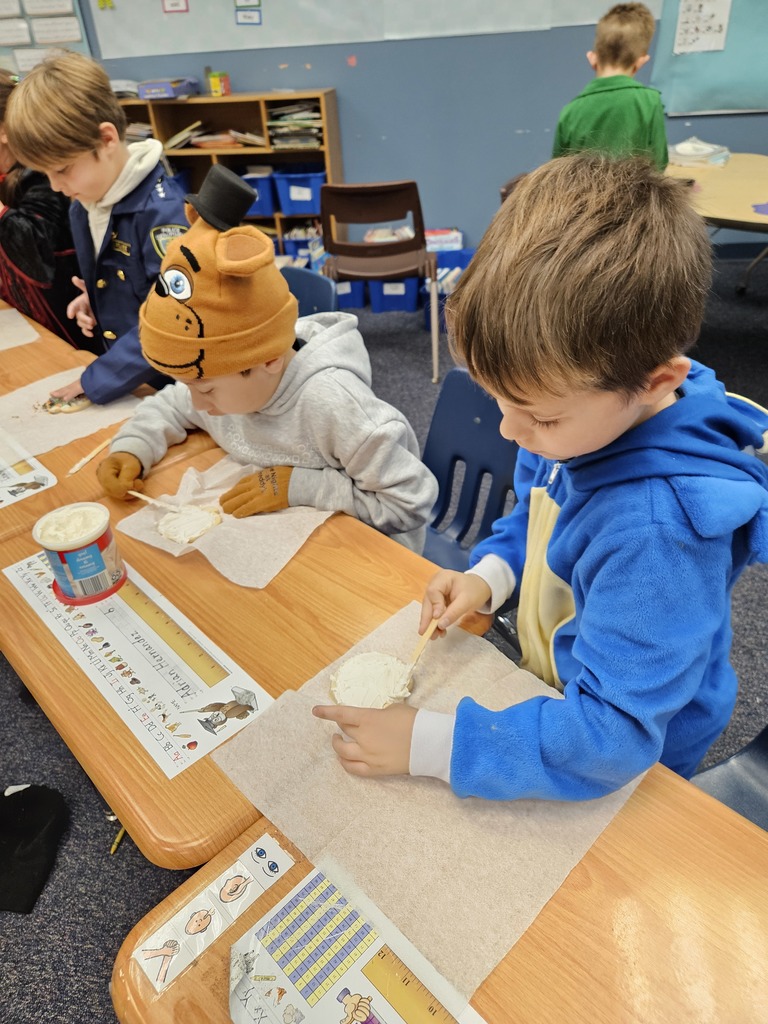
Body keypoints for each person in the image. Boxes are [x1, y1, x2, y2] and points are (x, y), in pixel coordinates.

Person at [313, 153, 768, 801]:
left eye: (538, 417)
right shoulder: (575, 420)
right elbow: (534, 514)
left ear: (656, 383)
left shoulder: (660, 533)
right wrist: (489, 575)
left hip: (630, 752)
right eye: (500, 400)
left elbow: (613, 736)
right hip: (563, 679)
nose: (509, 432)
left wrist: (433, 745)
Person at [97, 164, 437, 553]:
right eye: (192, 386)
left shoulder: (336, 408)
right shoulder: (218, 377)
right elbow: (173, 405)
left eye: (204, 389)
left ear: (268, 360)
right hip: (291, 538)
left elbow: (411, 503)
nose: (196, 404)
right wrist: (133, 447)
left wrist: (301, 485)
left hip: (369, 555)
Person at [4, 49, 188, 405]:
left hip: (181, 388)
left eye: (63, 169)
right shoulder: (84, 204)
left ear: (106, 140)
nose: (55, 187)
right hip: (136, 380)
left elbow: (174, 316)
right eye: (46, 174)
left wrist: (99, 379)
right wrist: (98, 298)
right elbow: (133, 282)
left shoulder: (163, 216)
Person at [0, 68, 82, 348]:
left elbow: (35, 256)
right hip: (21, 324)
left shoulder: (45, 177)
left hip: (68, 331)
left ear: (3, 132)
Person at [552, 3, 668, 170]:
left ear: (592, 58)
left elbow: (556, 174)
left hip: (581, 197)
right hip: (636, 196)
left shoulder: (570, 112)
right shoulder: (649, 102)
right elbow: (659, 164)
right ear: (641, 61)